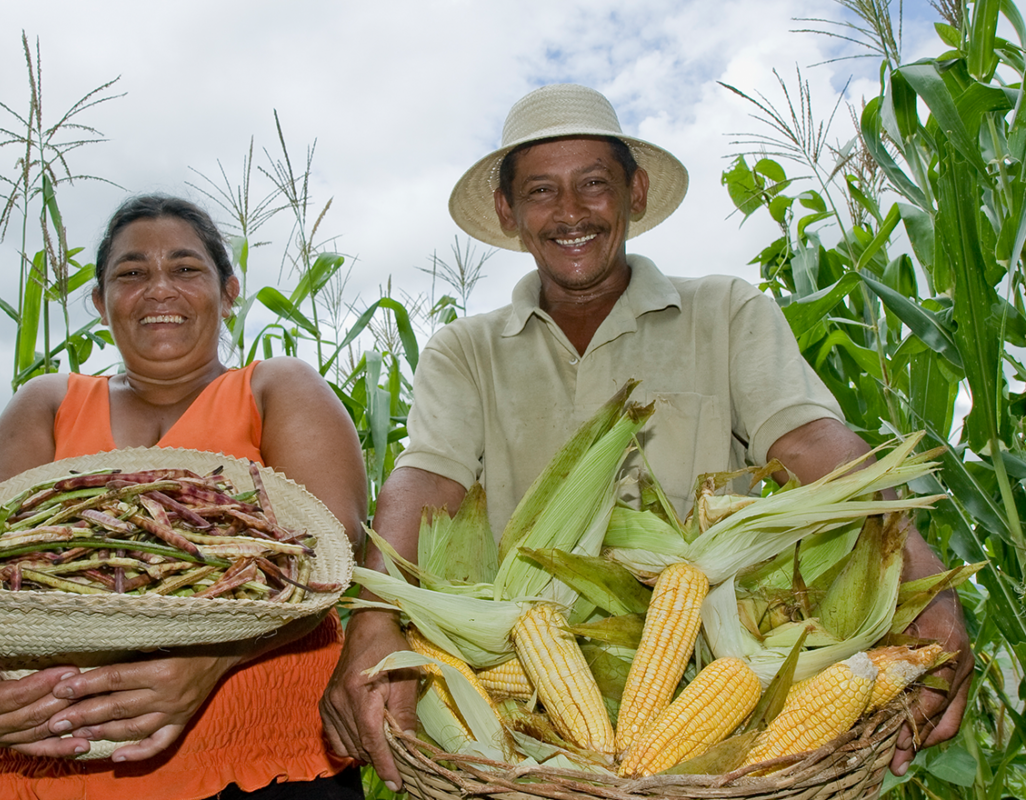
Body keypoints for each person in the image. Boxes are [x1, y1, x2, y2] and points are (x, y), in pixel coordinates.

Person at [320, 83, 973, 789]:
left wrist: (919, 576)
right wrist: (376, 621)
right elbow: (428, 480)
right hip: (529, 692)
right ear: (509, 211)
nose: (571, 213)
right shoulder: (465, 349)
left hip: (705, 673)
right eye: (541, 191)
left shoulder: (725, 311)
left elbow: (808, 440)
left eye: (594, 184)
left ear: (635, 191)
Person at [0, 194, 369, 800]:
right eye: (132, 272)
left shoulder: (277, 387)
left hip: (260, 761)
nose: (159, 288)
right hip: (62, 754)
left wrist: (211, 664)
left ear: (228, 291)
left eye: (187, 269)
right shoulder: (49, 402)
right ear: (100, 301)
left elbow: (333, 551)